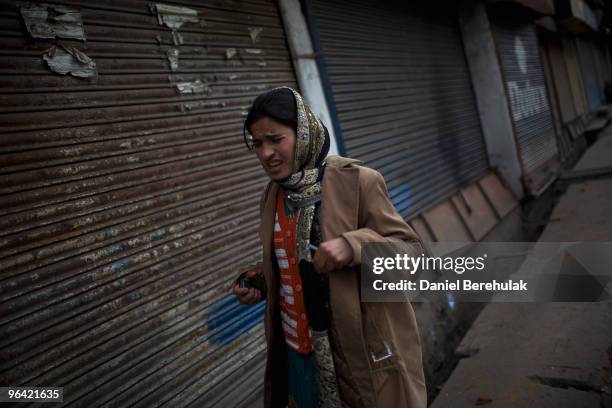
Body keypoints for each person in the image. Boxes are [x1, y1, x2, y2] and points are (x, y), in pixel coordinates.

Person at [232, 87, 426, 408]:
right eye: (257, 144)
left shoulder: (357, 181)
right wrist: (260, 282)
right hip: (298, 355)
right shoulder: (273, 195)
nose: (265, 153)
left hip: (360, 354)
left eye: (275, 139)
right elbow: (295, 263)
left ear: (304, 134)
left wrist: (353, 246)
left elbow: (410, 254)